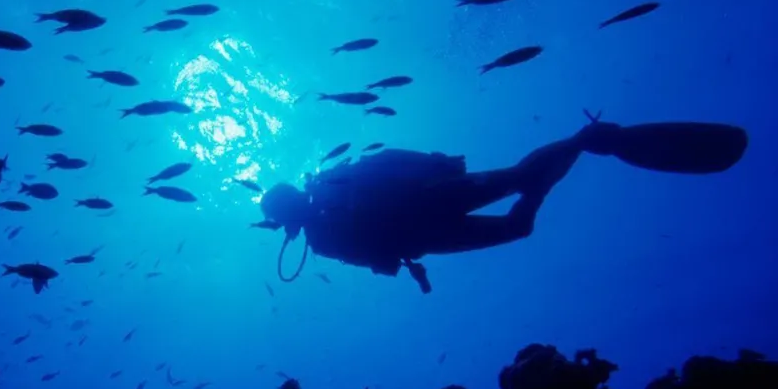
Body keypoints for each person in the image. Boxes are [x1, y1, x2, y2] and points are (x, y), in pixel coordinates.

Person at [259, 113, 749, 293]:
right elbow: (383, 167)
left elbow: (380, 182)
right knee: (520, 204)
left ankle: (585, 142)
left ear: (284, 213)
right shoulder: (322, 221)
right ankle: (581, 143)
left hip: (428, 213)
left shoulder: (325, 203)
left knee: (518, 187)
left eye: (280, 217)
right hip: (428, 224)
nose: (285, 225)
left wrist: (433, 169)